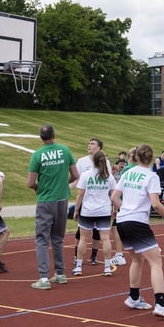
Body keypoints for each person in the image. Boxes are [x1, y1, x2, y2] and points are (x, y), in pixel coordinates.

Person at [111, 143, 164, 318]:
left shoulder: (127, 173)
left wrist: (125, 209)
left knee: (137, 259)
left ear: (137, 157)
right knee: (156, 262)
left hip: (122, 221)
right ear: (151, 157)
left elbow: (114, 197)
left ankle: (133, 297)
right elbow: (156, 203)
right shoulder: (151, 176)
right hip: (137, 222)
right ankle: (160, 304)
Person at [27, 124, 78, 290]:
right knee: (57, 238)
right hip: (62, 199)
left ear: (41, 137)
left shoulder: (37, 155)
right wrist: (64, 183)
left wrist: (37, 188)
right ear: (53, 135)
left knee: (42, 239)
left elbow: (30, 182)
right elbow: (75, 175)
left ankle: (43, 278)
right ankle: (60, 273)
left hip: (45, 200)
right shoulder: (65, 150)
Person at [73, 150, 116, 277]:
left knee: (83, 239)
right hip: (103, 210)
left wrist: (76, 210)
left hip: (88, 211)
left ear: (93, 161)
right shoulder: (109, 176)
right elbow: (113, 195)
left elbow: (80, 194)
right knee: (105, 238)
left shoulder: (86, 175)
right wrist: (115, 209)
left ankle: (79, 266)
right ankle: (107, 266)